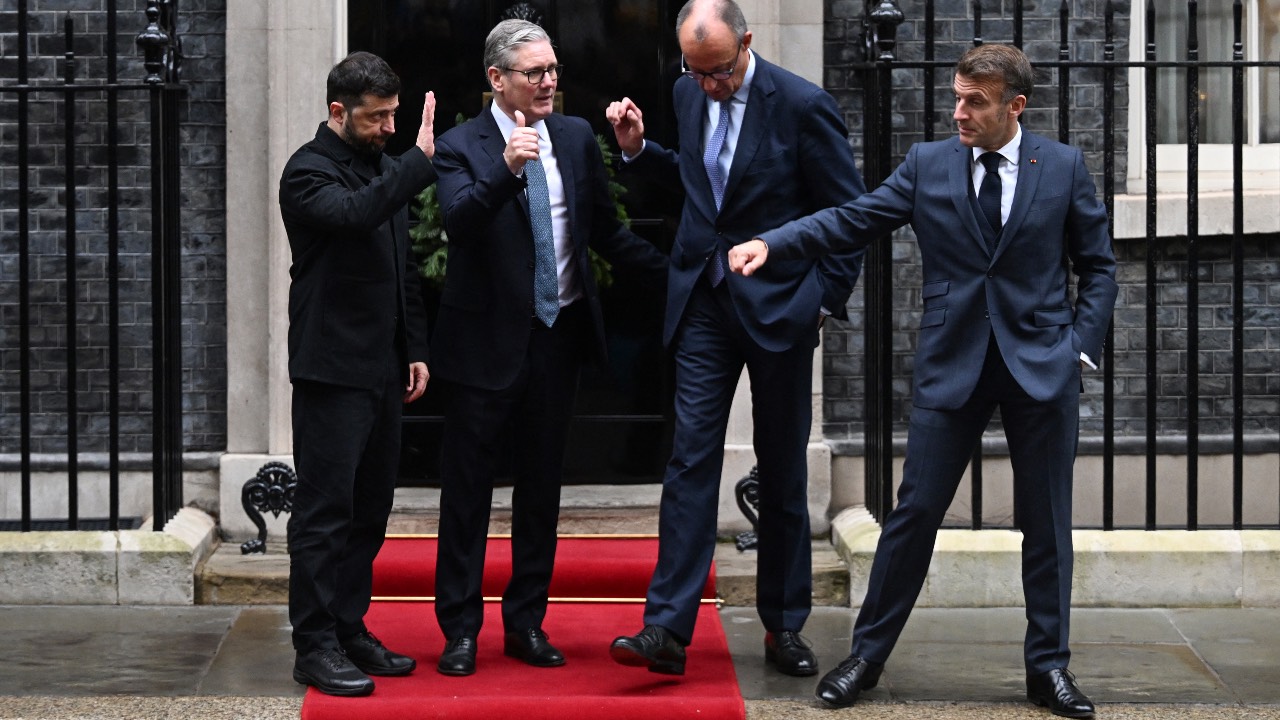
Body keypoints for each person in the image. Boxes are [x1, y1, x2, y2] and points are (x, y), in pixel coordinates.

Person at [728, 44, 1118, 718]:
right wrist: (778, 242)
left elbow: (1100, 266)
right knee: (912, 517)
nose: (959, 112)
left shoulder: (1060, 167)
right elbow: (853, 218)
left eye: (976, 102)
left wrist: (1078, 350)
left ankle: (1048, 668)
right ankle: (866, 658)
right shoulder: (927, 165)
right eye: (957, 97)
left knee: (1047, 525)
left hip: (1040, 367)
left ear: (1014, 106)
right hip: (953, 362)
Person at [604, 0, 866, 678]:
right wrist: (638, 152)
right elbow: (702, 183)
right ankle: (666, 627)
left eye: (718, 72)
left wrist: (823, 300)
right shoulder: (686, 91)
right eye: (696, 72)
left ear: (746, 43)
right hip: (703, 300)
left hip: (781, 306)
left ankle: (784, 626)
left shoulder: (803, 105)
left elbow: (846, 213)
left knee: (780, 471)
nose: (708, 85)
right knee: (690, 458)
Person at [429, 19, 667, 677]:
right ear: (497, 79)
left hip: (555, 338)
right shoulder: (459, 146)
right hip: (482, 347)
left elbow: (608, 234)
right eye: (535, 73)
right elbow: (459, 223)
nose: (549, 82)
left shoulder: (574, 138)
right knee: (467, 493)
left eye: (554, 70)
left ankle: (526, 622)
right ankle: (460, 631)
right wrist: (506, 171)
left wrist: (682, 277)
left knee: (540, 491)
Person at [278, 51, 438, 697]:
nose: (389, 129)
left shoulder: (381, 168)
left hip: (381, 369)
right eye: (377, 118)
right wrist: (416, 165)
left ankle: (349, 627)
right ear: (338, 111)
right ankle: (313, 644)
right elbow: (356, 215)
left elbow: (400, 270)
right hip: (330, 369)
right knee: (325, 513)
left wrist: (415, 347)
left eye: (395, 116)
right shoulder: (309, 172)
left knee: (371, 510)